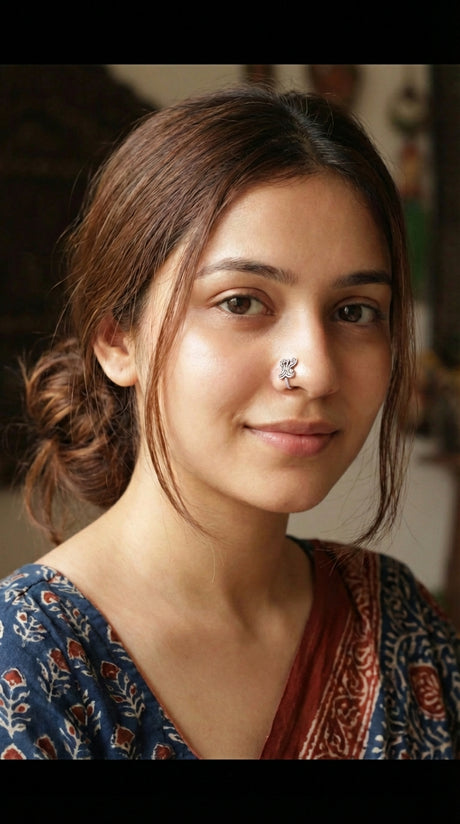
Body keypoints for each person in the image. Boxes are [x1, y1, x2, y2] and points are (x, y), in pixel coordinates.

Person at [0, 84, 459, 761]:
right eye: (242, 302)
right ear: (117, 338)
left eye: (355, 311)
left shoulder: (399, 624)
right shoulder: (25, 664)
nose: (314, 370)